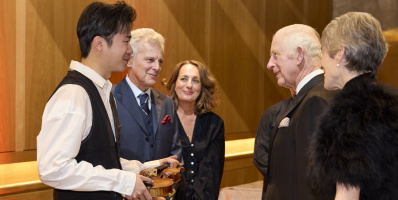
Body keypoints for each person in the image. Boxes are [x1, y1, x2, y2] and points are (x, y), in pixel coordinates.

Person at [37, 2, 177, 200]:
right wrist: (122, 181)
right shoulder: (74, 93)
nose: (130, 50)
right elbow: (52, 168)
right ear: (99, 43)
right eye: (126, 41)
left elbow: (102, 161)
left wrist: (146, 167)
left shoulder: (103, 91)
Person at [307, 12, 398, 200]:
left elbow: (347, 194)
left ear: (341, 54)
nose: (321, 64)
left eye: (323, 53)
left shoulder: (348, 113)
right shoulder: (391, 105)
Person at [265, 24, 336, 200]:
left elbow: (313, 184)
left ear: (299, 55)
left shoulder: (315, 100)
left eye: (275, 55)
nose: (269, 64)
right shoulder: (307, 97)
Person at [113, 28, 182, 164]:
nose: (157, 67)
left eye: (160, 61)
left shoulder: (167, 102)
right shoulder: (110, 98)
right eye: (150, 60)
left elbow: (175, 153)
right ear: (129, 61)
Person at [166, 60, 225, 199]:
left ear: (202, 87)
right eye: (184, 79)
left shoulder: (214, 124)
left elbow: (212, 174)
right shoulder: (164, 120)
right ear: (174, 84)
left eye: (196, 80)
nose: (189, 85)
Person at [253, 93, 292, 199]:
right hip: (276, 190)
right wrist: (286, 178)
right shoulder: (273, 113)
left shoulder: (314, 109)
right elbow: (260, 156)